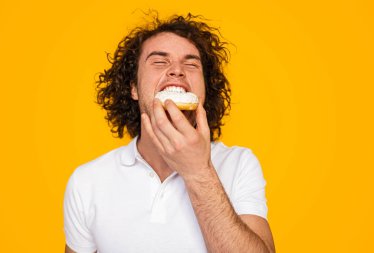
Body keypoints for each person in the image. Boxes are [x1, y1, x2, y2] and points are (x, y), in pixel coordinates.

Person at [64, 13, 275, 253]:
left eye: (191, 64)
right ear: (133, 87)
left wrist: (198, 172)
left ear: (205, 88)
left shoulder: (239, 164)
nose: (177, 70)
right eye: (159, 62)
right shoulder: (87, 181)